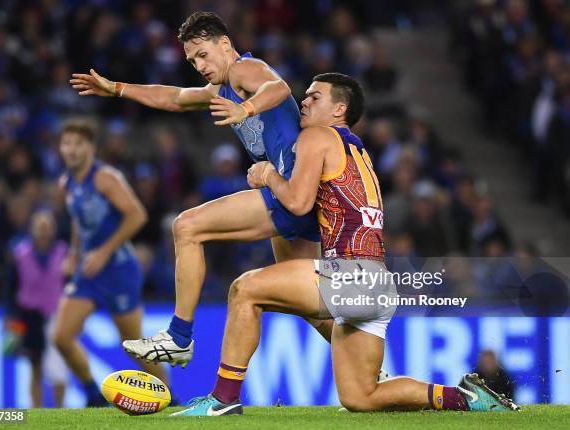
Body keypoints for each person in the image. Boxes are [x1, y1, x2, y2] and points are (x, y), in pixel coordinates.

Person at [171, 73, 520, 416]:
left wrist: (267, 175)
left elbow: (297, 203)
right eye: (305, 96)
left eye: (314, 96)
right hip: (378, 283)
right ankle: (465, 398)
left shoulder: (318, 136)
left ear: (339, 110)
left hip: (351, 273)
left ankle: (223, 399)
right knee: (361, 397)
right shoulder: (358, 149)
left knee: (244, 289)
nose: (304, 101)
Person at [70, 11, 328, 366]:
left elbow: (278, 87)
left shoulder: (243, 69)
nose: (199, 65)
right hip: (296, 194)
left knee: (187, 226)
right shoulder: (220, 87)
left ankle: (178, 337)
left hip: (290, 188)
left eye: (203, 54)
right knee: (306, 301)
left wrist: (247, 108)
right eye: (192, 61)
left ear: (225, 44)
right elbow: (174, 97)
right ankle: (371, 368)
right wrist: (117, 89)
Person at [53, 119, 169, 406]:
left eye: (78, 144)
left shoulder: (105, 178)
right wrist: (73, 254)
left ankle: (170, 398)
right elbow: (80, 223)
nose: (72, 150)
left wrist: (104, 251)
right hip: (89, 272)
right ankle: (93, 394)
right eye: (67, 143)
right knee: (61, 337)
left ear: (91, 148)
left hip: (118, 270)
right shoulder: (66, 182)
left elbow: (137, 215)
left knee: (133, 346)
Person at [6, 209, 70, 407]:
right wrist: (12, 318)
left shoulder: (64, 252)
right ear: (31, 230)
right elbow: (11, 288)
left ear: (53, 230)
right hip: (29, 315)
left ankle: (60, 411)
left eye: (47, 228)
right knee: (35, 366)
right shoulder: (20, 254)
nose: (43, 233)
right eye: (40, 228)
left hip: (57, 315)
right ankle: (37, 410)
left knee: (59, 367)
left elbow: (70, 283)